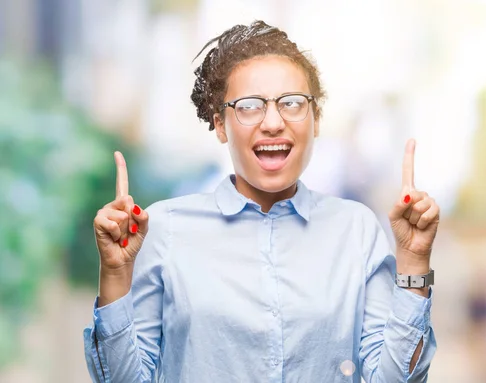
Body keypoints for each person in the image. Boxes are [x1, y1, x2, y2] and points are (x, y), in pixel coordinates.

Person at [83, 20, 439, 382]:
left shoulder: (356, 230)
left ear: (315, 119)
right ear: (220, 124)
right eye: (250, 106)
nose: (273, 122)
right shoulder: (165, 229)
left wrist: (413, 264)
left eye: (292, 103)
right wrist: (114, 274)